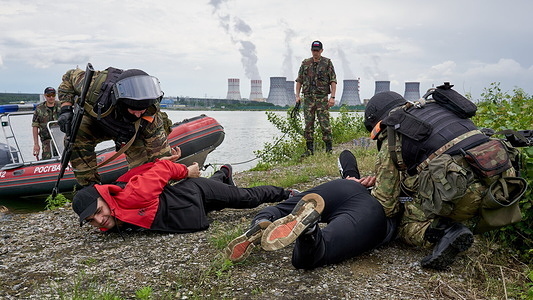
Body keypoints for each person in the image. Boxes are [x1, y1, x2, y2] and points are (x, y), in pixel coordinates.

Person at [362, 86, 526, 270]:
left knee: (406, 223)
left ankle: (445, 232)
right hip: (504, 181)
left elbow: (386, 206)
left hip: (466, 190)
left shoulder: (394, 132)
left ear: (377, 121)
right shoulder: (438, 108)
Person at [225, 150, 397, 269]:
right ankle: (309, 231)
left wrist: (351, 177)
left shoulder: (351, 179)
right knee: (320, 251)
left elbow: (345, 155)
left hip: (341, 188)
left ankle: (263, 220)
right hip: (370, 208)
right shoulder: (399, 180)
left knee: (281, 209)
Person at [73, 148, 295, 234]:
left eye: (99, 211)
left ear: (106, 199)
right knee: (219, 201)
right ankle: (223, 174)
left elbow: (164, 169)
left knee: (245, 199)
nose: (100, 220)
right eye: (92, 220)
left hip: (196, 192)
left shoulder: (134, 196)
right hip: (190, 209)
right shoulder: (110, 220)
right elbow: (132, 176)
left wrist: (186, 171)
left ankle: (287, 194)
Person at [57, 66, 172, 186]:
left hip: (133, 133)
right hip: (98, 122)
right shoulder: (94, 85)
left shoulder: (150, 117)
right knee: (76, 133)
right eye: (133, 110)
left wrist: (166, 177)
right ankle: (89, 186)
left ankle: (137, 190)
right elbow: (69, 77)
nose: (138, 114)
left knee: (143, 174)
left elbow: (162, 157)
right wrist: (66, 108)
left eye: (142, 110)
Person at [295, 40, 337, 156]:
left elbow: (333, 80)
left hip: (321, 99)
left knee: (325, 124)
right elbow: (299, 81)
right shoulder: (305, 63)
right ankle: (309, 150)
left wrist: (332, 97)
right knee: (308, 124)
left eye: (317, 51)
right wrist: (297, 96)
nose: (315, 53)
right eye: (313, 50)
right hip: (308, 98)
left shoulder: (327, 63)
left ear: (321, 51)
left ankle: (328, 150)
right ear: (311, 50)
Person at [32, 87, 61, 160]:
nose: (51, 97)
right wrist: (36, 144)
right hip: (46, 140)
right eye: (49, 95)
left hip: (61, 138)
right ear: (45, 96)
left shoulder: (61, 106)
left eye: (53, 95)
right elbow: (35, 126)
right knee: (47, 157)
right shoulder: (39, 109)